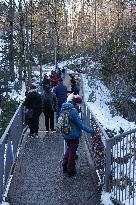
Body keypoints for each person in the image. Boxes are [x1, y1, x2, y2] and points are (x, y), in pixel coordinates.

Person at [62, 95, 95, 177]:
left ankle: (64, 166)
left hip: (66, 133)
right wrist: (90, 130)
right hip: (73, 135)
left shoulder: (65, 108)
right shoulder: (73, 111)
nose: (80, 105)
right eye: (79, 104)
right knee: (72, 153)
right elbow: (80, 125)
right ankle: (71, 170)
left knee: (69, 149)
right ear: (76, 103)